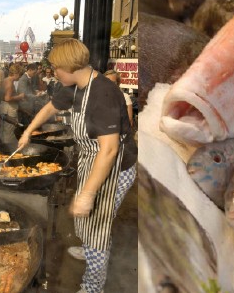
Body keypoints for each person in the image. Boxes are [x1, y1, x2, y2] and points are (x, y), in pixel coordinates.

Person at [18, 39, 137, 293]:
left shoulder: (102, 94)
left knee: (96, 228)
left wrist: (88, 193)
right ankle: (89, 249)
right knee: (88, 220)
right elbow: (51, 108)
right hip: (92, 158)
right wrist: (28, 131)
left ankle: (93, 286)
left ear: (70, 66)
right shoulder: (73, 86)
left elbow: (110, 150)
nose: (52, 73)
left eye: (55, 69)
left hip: (114, 167)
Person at [0, 63, 25, 144]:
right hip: (9, 109)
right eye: (20, 75)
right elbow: (8, 98)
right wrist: (20, 97)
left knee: (3, 131)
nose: (20, 77)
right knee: (9, 132)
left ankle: (3, 148)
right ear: (15, 73)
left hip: (3, 107)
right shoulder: (10, 83)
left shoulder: (5, 80)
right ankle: (8, 149)